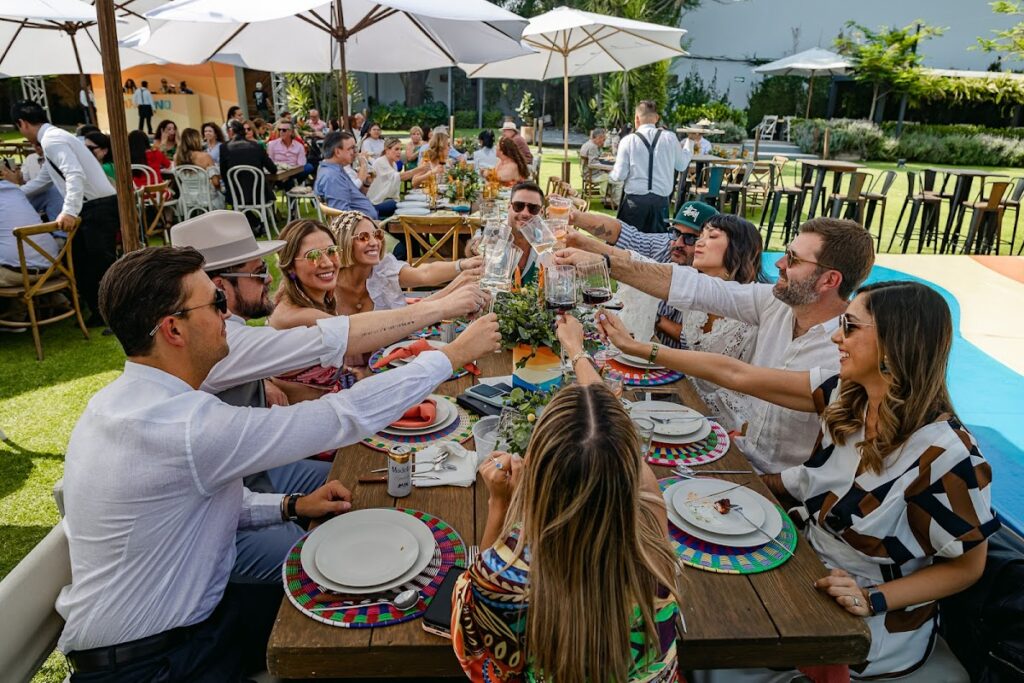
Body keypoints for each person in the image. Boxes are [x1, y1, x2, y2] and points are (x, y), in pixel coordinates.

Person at [56, 245, 500, 679]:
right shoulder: (186, 427)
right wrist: (449, 357)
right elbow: (338, 417)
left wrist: (290, 506)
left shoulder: (117, 403)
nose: (227, 316)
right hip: (158, 662)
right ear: (173, 329)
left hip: (179, 630)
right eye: (215, 303)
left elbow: (185, 504)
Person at [597, 281, 999, 680]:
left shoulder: (948, 455)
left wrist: (873, 598)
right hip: (799, 564)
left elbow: (968, 567)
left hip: (860, 624)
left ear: (896, 344)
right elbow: (737, 374)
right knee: (671, 570)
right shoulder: (848, 394)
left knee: (687, 623)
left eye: (850, 327)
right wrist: (637, 348)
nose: (837, 337)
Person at [453, 315, 683, 682]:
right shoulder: (653, 548)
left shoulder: (502, 580)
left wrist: (501, 505)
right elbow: (617, 443)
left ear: (537, 469)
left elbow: (476, 649)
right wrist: (577, 352)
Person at [556, 217, 875, 475]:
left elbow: (736, 375)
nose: (779, 263)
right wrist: (606, 262)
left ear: (829, 280)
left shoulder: (847, 352)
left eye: (792, 259)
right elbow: (694, 287)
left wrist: (638, 347)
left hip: (780, 489)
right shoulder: (774, 303)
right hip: (732, 450)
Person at [8, 101, 119, 327]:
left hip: (96, 207)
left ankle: (116, 315)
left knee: (101, 265)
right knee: (81, 264)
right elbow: (44, 179)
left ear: (22, 123)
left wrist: (68, 211)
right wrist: (12, 192)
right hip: (93, 206)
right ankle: (102, 313)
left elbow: (74, 174)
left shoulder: (52, 140)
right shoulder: (55, 137)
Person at [568, 200, 718, 348]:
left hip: (674, 358)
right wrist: (575, 217)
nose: (678, 243)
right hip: (636, 345)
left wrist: (654, 318)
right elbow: (622, 234)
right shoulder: (665, 245)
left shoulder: (713, 279)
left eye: (690, 238)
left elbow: (694, 340)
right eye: (676, 232)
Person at [329, 211, 482, 315]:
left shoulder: (382, 269)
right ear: (344, 243)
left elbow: (424, 273)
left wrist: (462, 265)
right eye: (363, 237)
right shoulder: (328, 284)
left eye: (377, 235)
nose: (374, 242)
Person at [610, 100, 691, 233]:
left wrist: (611, 174)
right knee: (658, 243)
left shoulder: (628, 140)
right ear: (657, 118)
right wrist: (690, 143)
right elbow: (681, 166)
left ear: (636, 118)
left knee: (628, 242)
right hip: (660, 204)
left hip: (634, 204)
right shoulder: (670, 138)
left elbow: (619, 176)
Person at [0, 175, 61, 321]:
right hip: (54, 267)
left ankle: (15, 317)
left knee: (13, 259)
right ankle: (58, 301)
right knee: (14, 254)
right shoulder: (15, 191)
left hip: (20, 275)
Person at [468, 181, 546, 287]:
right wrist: (473, 247)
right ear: (509, 206)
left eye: (533, 208)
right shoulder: (495, 231)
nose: (525, 213)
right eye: (518, 206)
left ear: (541, 212)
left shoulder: (547, 243)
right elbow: (473, 246)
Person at [220, 119, 277, 218]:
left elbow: (224, 173)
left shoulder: (224, 147)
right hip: (260, 195)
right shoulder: (256, 146)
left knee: (232, 193)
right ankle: (260, 222)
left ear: (230, 131)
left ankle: (253, 222)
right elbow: (273, 169)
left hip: (236, 196)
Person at [313, 131, 377, 220]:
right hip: (361, 226)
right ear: (337, 152)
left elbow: (353, 199)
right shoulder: (332, 177)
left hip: (366, 223)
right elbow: (341, 215)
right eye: (351, 148)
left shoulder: (336, 170)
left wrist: (366, 184)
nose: (355, 152)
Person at [367, 138, 421, 217]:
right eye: (396, 149)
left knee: (408, 204)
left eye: (400, 149)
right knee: (401, 205)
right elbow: (400, 177)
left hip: (388, 201)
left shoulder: (393, 164)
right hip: (377, 203)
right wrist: (420, 169)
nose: (399, 152)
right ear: (387, 150)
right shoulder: (380, 162)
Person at [175, 128, 225, 210]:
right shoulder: (205, 156)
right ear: (196, 140)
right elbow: (216, 183)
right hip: (206, 198)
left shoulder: (177, 157)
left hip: (187, 198)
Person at [16, 141, 64, 221]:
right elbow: (24, 180)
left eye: (39, 144)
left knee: (52, 191)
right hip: (36, 201)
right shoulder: (30, 158)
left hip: (57, 202)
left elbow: (42, 184)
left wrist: (13, 192)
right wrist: (17, 177)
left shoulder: (55, 159)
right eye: (33, 144)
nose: (36, 147)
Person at [266, 121, 310, 187]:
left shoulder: (299, 146)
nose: (281, 132)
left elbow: (301, 165)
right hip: (278, 171)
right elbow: (270, 161)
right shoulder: (272, 144)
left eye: (284, 130)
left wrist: (288, 174)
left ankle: (291, 181)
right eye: (279, 130)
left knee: (308, 167)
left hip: (294, 171)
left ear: (291, 132)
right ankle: (292, 183)